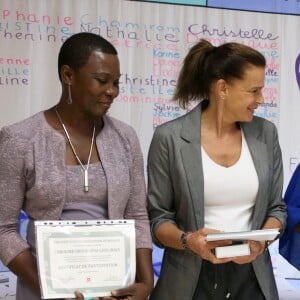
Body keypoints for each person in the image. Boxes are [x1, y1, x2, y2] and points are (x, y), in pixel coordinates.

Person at [0, 32, 153, 300]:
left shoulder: (125, 138)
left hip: (114, 290)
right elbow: (3, 229)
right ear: (68, 75)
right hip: (43, 291)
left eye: (116, 83)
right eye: (102, 81)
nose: (112, 91)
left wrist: (146, 283)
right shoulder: (21, 139)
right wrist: (50, 289)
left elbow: (137, 216)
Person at [147, 39, 286, 300]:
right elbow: (159, 220)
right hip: (190, 281)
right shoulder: (170, 138)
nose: (261, 99)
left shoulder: (266, 134)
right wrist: (190, 241)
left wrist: (262, 242)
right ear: (222, 88)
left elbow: (277, 209)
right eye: (253, 90)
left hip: (252, 279)